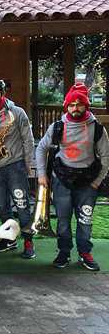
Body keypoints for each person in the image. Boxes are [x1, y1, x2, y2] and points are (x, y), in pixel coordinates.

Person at [36, 83, 109, 271]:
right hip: (62, 180)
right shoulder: (57, 127)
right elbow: (41, 148)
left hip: (87, 182)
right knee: (63, 220)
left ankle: (85, 253)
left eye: (79, 104)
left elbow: (106, 157)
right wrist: (42, 175)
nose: (75, 108)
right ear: (66, 106)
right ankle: (64, 252)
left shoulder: (97, 129)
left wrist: (97, 182)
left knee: (84, 220)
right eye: (72, 105)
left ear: (86, 106)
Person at [0, 78, 36, 258]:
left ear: (3, 93)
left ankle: (28, 242)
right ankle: (9, 239)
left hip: (16, 166)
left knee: (22, 204)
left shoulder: (17, 112)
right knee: (3, 206)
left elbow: (28, 140)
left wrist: (29, 165)